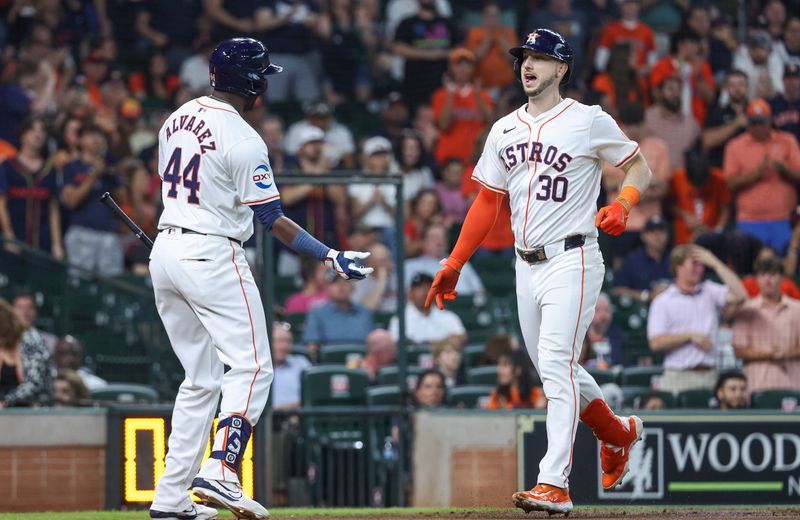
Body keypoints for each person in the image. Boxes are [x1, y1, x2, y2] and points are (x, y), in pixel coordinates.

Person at [425, 29, 653, 514]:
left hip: (573, 257)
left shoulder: (587, 120)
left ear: (561, 69)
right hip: (524, 266)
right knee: (560, 369)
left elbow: (640, 168)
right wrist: (453, 262)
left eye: (541, 58)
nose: (528, 65)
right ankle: (616, 433)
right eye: (525, 57)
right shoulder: (504, 128)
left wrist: (624, 203)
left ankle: (554, 483)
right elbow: (487, 202)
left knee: (553, 366)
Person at [147, 38, 372, 520]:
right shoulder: (244, 138)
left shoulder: (174, 118)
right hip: (212, 252)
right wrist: (329, 254)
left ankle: (170, 499)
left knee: (200, 379)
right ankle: (223, 471)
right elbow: (272, 219)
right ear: (251, 83)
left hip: (167, 248)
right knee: (254, 367)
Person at [648, 245, 747, 396]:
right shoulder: (663, 300)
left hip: (710, 375)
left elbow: (741, 295)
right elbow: (655, 342)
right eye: (694, 264)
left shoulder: (709, 291)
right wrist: (689, 336)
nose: (699, 269)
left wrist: (714, 262)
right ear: (678, 267)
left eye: (701, 264)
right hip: (678, 375)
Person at [723, 98, 800, 254]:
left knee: (788, 266)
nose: (757, 127)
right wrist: (756, 174)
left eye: (761, 122)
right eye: (753, 122)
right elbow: (731, 183)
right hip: (750, 219)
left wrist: (785, 169)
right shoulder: (735, 146)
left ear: (770, 121)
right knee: (750, 266)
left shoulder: (787, 141)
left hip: (784, 219)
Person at [60, 123, 126, 276]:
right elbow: (71, 201)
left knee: (111, 286)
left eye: (99, 135)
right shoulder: (72, 167)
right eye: (90, 134)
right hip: (81, 230)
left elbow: (122, 200)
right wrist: (93, 175)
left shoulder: (110, 166)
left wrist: (113, 175)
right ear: (80, 140)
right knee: (80, 284)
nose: (96, 139)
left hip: (109, 233)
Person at [732, 255, 800, 395]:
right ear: (757, 279)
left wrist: (785, 354)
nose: (767, 280)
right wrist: (771, 355)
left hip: (793, 383)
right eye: (762, 275)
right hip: (756, 384)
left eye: (773, 274)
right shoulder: (746, 309)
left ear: (782, 278)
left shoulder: (797, 309)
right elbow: (739, 350)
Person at [0, 116, 64, 258]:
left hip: (42, 242)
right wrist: (8, 234)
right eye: (33, 130)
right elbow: (1, 203)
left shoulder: (50, 169)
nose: (38, 134)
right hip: (14, 239)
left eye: (42, 131)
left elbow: (53, 208)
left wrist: (57, 244)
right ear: (22, 135)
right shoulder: (8, 166)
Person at [392, 0, 460, 114]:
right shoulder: (408, 23)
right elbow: (398, 48)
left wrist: (445, 54)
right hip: (414, 84)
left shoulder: (448, 23)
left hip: (442, 83)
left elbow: (460, 48)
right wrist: (429, 54)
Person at [431, 48, 493, 166]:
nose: (463, 69)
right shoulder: (441, 95)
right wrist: (450, 96)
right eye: (458, 65)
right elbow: (444, 125)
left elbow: (490, 122)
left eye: (467, 65)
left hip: (475, 159)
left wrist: (478, 96)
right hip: (448, 160)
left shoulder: (482, 94)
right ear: (451, 68)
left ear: (472, 68)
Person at [649, 30, 715, 126]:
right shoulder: (662, 65)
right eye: (693, 43)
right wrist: (678, 69)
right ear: (680, 44)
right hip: (667, 122)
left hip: (697, 123)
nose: (697, 47)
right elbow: (656, 95)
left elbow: (710, 99)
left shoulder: (703, 66)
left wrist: (698, 76)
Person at [669, 143, 731, 245]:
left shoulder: (719, 178)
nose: (699, 188)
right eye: (695, 184)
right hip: (684, 238)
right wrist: (684, 214)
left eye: (702, 184)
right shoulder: (677, 178)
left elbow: (726, 206)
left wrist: (718, 229)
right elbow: (668, 206)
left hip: (711, 237)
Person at [0, 297, 54, 408]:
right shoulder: (3, 345)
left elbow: (35, 383)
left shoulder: (30, 339)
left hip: (28, 413)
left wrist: (5, 403)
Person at [302, 273, 375, 353]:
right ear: (328, 287)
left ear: (353, 287)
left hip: (360, 362)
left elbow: (372, 345)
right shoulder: (317, 313)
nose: (341, 286)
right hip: (329, 363)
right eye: (335, 282)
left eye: (346, 281)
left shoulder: (365, 313)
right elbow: (312, 346)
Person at [404, 224, 483, 295]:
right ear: (424, 242)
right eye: (434, 238)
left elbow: (480, 292)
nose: (439, 242)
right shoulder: (410, 266)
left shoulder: (463, 266)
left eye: (442, 238)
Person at [389, 273, 465, 345]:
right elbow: (395, 342)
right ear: (410, 293)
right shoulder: (400, 319)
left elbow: (462, 337)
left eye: (429, 287)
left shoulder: (447, 316)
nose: (425, 292)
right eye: (420, 288)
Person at [643, 76, 701, 171]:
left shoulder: (691, 124)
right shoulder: (647, 119)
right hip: (652, 179)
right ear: (659, 93)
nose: (675, 93)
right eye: (670, 89)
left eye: (679, 89)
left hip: (681, 179)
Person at [612, 215, 671, 304]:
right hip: (640, 310)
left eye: (661, 231)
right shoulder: (632, 260)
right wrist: (647, 296)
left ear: (667, 235)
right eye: (652, 232)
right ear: (643, 236)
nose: (657, 236)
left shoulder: (674, 259)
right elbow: (617, 290)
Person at [702, 69, 750, 168]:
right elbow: (707, 140)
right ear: (726, 88)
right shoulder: (717, 112)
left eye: (741, 84)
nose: (737, 89)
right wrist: (735, 124)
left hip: (751, 168)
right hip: (722, 169)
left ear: (747, 87)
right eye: (732, 85)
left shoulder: (756, 110)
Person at [593, 0, 656, 74]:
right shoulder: (611, 29)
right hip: (615, 75)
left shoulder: (647, 31)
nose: (630, 7)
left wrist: (645, 70)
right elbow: (600, 63)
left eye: (634, 4)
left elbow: (652, 60)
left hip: (638, 77)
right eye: (626, 4)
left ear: (639, 7)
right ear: (620, 7)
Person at [270, 322, 311, 411]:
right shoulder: (257, 367)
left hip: (297, 416)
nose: (284, 346)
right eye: (279, 341)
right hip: (264, 419)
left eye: (288, 341)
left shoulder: (301, 363)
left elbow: (313, 395)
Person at [732, 30, 784, 99]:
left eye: (761, 48)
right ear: (749, 50)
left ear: (769, 51)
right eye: (754, 49)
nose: (757, 52)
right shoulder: (742, 61)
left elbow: (780, 89)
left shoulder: (775, 60)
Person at [580, 293, 624, 369]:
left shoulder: (619, 337)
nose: (603, 315)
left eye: (607, 310)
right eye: (598, 310)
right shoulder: (580, 337)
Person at [769, 63, 800, 141]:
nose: (791, 82)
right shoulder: (772, 103)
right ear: (783, 80)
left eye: (795, 78)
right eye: (788, 79)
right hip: (778, 148)